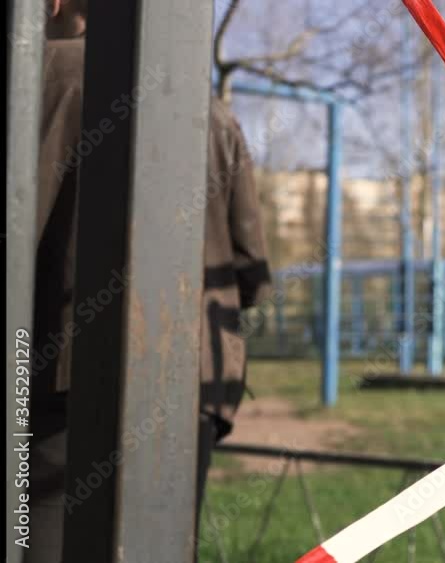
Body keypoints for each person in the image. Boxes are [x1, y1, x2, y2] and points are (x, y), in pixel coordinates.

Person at [31, 1, 271, 560]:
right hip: (190, 379)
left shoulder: (36, 75)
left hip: (55, 375)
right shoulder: (211, 114)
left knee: (40, 538)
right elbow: (253, 273)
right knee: (163, 544)